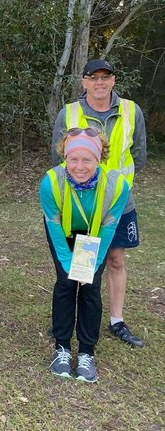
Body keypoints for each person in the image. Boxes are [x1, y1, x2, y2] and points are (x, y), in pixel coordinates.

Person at [51, 59, 146, 348]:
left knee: (116, 260)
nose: (100, 83)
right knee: (80, 263)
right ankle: (70, 320)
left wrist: (115, 186)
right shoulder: (69, 112)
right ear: (83, 82)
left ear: (114, 80)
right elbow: (58, 160)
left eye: (106, 77)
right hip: (81, 204)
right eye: (93, 78)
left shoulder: (131, 111)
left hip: (119, 202)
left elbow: (139, 155)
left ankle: (116, 320)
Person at [41, 129, 129, 382]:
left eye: (87, 159)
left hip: (95, 236)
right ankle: (62, 348)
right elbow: (54, 226)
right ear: (65, 159)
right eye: (73, 160)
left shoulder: (117, 184)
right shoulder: (50, 182)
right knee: (66, 282)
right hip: (64, 232)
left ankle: (86, 353)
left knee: (90, 285)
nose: (79, 167)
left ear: (99, 158)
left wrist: (93, 265)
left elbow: (109, 227)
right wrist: (69, 265)